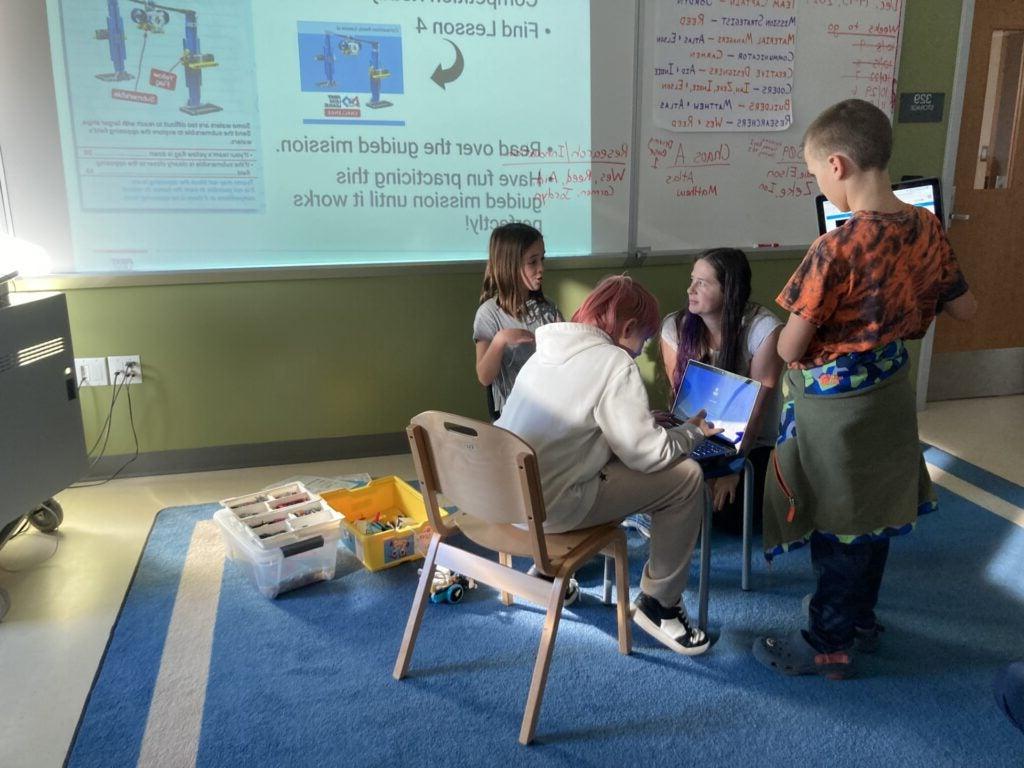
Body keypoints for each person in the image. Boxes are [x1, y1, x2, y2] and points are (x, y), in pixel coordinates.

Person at [751, 99, 978, 679]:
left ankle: (827, 641)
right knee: (876, 511)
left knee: (839, 520)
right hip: (892, 396)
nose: (820, 187)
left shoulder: (836, 248)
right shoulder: (927, 227)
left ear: (838, 165)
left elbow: (791, 348)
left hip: (839, 409)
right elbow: (967, 309)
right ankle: (860, 617)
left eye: (814, 175)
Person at [496, 275, 721, 654]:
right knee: (685, 478)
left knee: (614, 464)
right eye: (644, 340)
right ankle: (659, 604)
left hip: (509, 504)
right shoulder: (614, 363)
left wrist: (638, 421)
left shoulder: (545, 352)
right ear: (628, 327)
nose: (642, 351)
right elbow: (649, 456)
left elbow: (571, 428)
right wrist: (691, 434)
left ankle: (548, 570)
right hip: (555, 509)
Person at [659, 248, 783, 535]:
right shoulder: (675, 328)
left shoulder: (763, 329)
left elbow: (755, 411)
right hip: (696, 435)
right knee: (685, 506)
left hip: (752, 442)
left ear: (729, 290)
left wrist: (732, 468)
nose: (690, 289)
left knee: (735, 519)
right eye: (692, 279)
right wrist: (697, 462)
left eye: (703, 282)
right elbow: (683, 405)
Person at [473, 223, 563, 420]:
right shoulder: (488, 314)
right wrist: (500, 341)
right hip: (512, 416)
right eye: (532, 262)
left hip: (551, 408)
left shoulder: (549, 309)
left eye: (542, 259)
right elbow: (484, 377)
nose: (541, 268)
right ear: (509, 265)